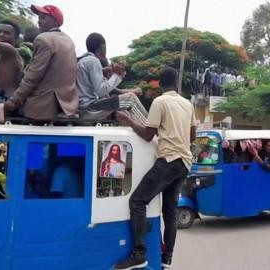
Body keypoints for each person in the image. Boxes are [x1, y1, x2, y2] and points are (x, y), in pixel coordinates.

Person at [114, 67, 196, 270]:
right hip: (184, 162)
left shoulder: (160, 102)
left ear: (160, 84)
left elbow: (148, 134)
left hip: (168, 160)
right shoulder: (187, 104)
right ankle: (167, 259)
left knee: (138, 201)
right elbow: (192, 136)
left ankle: (139, 253)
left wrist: (127, 120)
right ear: (176, 84)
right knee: (170, 212)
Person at [0, 4, 79, 121]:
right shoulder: (68, 40)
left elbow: (32, 76)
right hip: (67, 105)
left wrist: (12, 102)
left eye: (43, 18)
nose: (39, 22)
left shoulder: (43, 39)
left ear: (55, 21)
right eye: (39, 18)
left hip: (44, 106)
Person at [77, 33, 148, 125]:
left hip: (85, 107)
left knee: (125, 113)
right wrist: (117, 75)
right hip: (90, 109)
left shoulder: (84, 60)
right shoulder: (93, 61)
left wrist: (106, 73)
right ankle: (150, 128)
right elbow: (101, 91)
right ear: (102, 47)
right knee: (131, 98)